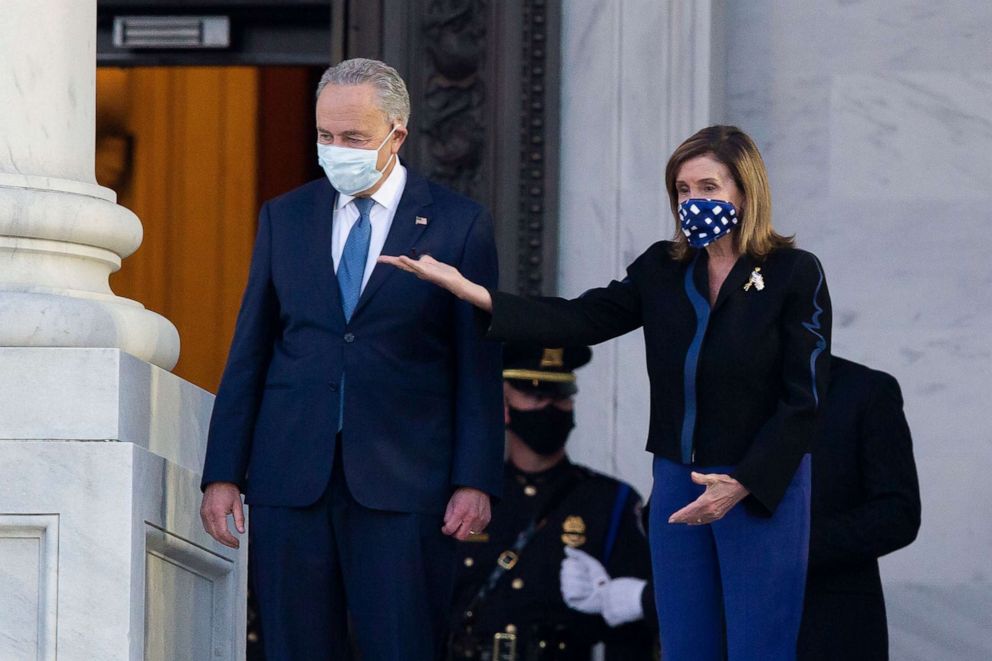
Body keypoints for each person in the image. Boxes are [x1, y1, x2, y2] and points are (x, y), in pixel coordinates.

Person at [381, 124, 832, 660]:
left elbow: (805, 398)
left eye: (708, 187)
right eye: (683, 191)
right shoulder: (663, 269)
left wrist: (741, 484)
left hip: (757, 483)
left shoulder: (791, 273)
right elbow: (578, 319)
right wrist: (472, 291)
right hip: (678, 479)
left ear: (744, 190)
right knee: (688, 645)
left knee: (760, 647)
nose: (694, 201)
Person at [199, 58, 505, 661]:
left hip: (404, 481)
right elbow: (251, 350)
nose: (336, 149)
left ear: (397, 132)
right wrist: (222, 471)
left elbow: (476, 364)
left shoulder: (457, 224)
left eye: (354, 138)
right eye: (325, 136)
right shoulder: (284, 216)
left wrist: (474, 479)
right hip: (291, 477)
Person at [449, 343, 656, 660]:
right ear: (504, 406)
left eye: (561, 398)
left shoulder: (609, 500)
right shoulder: (472, 497)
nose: (550, 408)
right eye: (535, 397)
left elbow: (631, 629)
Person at [798, 356, 921, 660]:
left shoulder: (865, 391)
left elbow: (898, 512)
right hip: (723, 628)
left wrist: (794, 546)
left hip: (831, 628)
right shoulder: (713, 393)